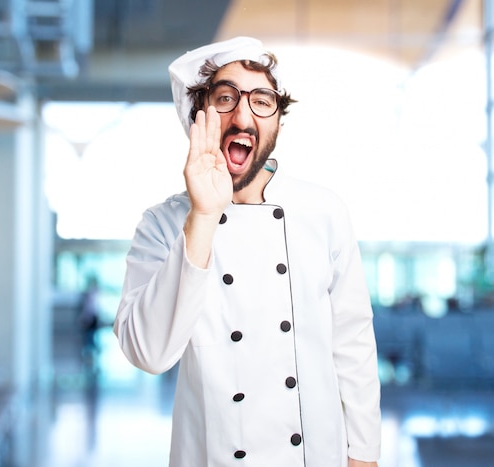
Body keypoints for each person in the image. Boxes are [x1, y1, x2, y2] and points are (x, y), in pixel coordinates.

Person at [114, 36, 381, 467]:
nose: (243, 116)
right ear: (197, 117)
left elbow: (353, 344)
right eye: (225, 99)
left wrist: (364, 456)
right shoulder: (162, 225)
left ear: (277, 120)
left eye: (262, 100)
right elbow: (148, 354)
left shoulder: (324, 211)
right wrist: (202, 215)